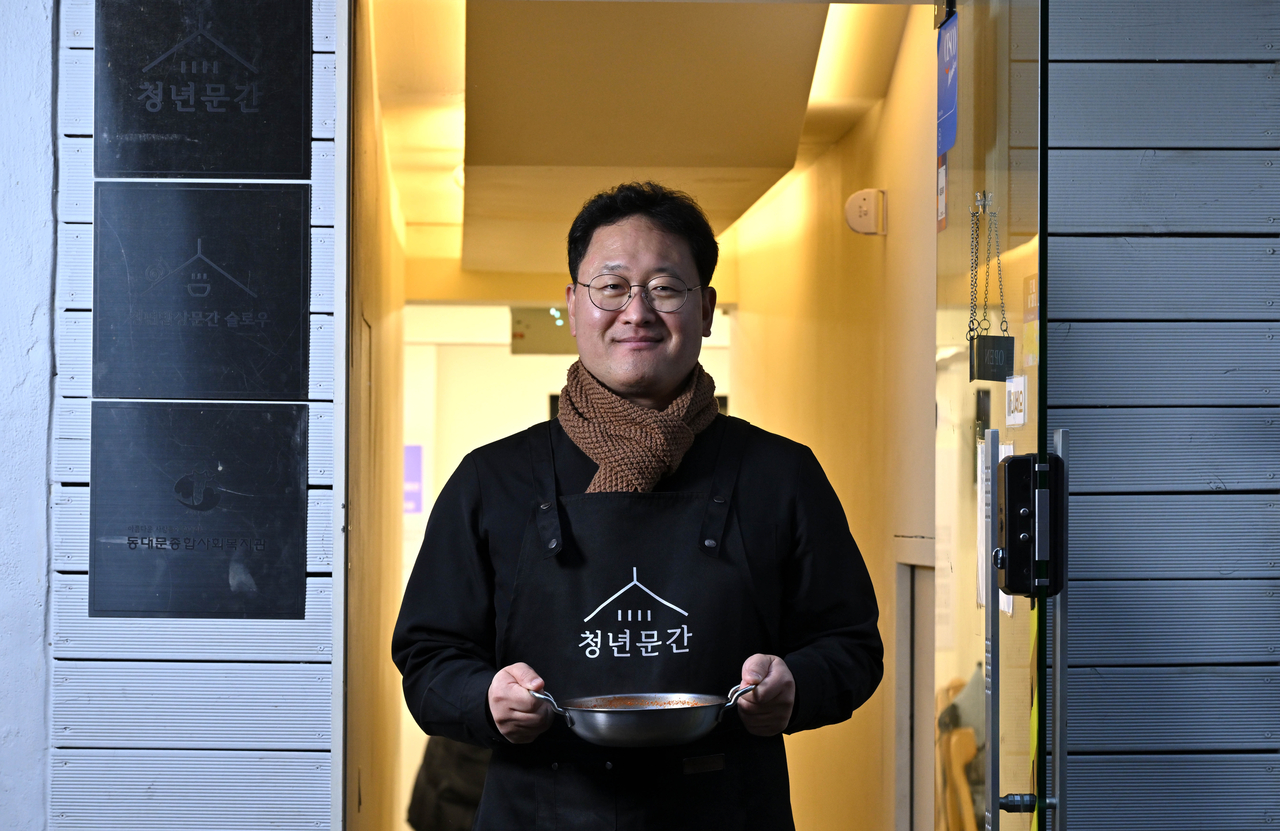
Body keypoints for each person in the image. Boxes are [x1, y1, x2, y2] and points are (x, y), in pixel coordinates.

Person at [392, 181, 883, 830]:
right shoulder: (493, 479)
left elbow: (850, 645)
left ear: (706, 309)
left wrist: (796, 685)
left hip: (726, 812)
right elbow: (428, 655)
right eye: (612, 285)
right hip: (539, 809)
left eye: (666, 287)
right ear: (572, 303)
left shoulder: (779, 474)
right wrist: (484, 697)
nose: (637, 311)